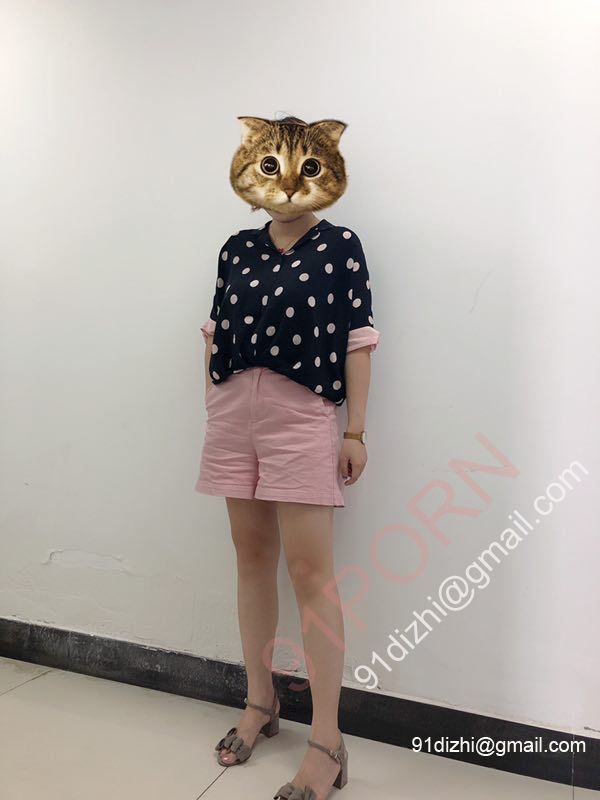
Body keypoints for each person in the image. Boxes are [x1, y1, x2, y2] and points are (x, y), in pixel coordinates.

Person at [195, 115, 380, 800]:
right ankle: (260, 701)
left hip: (302, 414)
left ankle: (328, 740)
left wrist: (355, 431)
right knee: (250, 558)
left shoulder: (341, 247)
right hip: (233, 412)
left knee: (311, 574)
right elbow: (215, 330)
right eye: (273, 168)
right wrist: (214, 401)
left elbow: (358, 339)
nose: (288, 185)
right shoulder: (236, 248)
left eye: (305, 170)